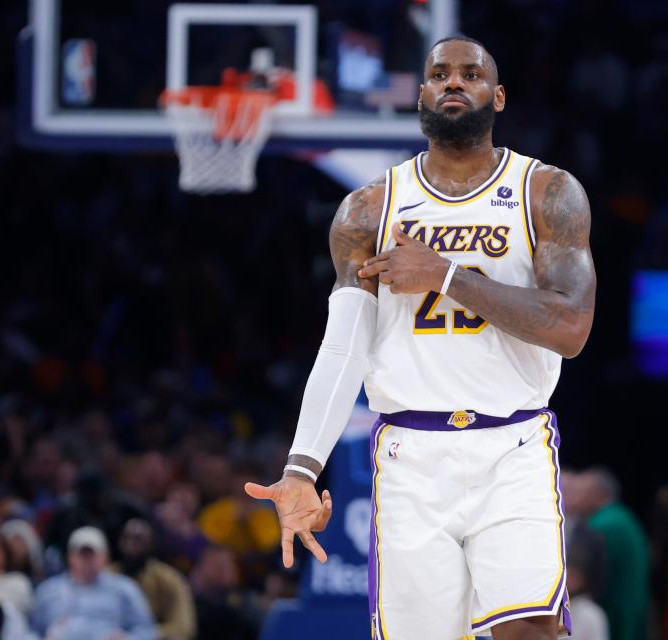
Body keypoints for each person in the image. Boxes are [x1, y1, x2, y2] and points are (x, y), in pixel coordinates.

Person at [245, 36, 596, 640]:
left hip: (511, 446)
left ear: (499, 96)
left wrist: (447, 275)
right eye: (439, 74)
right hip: (411, 455)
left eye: (470, 74)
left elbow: (570, 328)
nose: (453, 83)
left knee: (534, 632)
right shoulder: (369, 210)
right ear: (423, 96)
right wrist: (303, 467)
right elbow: (343, 349)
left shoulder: (548, 193)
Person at [31, 526, 156, 640]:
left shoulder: (124, 588)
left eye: (92, 554)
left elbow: (147, 631)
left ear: (105, 557)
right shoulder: (48, 590)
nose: (87, 560)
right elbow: (31, 630)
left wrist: (126, 639)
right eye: (82, 554)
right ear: (70, 557)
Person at [581, 468, 649, 640]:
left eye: (582, 492)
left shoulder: (602, 525)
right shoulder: (624, 516)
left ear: (596, 493)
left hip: (614, 609)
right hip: (634, 605)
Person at [114, 518, 196, 640]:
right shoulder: (107, 576)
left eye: (138, 539)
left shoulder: (169, 579)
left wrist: (141, 636)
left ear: (150, 543)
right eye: (128, 538)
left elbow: (183, 626)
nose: (132, 544)